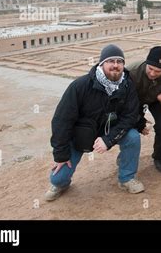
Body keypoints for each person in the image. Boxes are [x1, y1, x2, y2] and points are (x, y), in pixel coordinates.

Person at [45, 44, 143, 201]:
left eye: (120, 61)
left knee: (133, 137)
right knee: (57, 179)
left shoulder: (127, 85)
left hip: (110, 131)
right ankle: (62, 184)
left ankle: (126, 178)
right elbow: (61, 121)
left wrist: (108, 139)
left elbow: (129, 117)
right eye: (111, 61)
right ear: (101, 63)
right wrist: (61, 154)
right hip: (81, 135)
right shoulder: (80, 86)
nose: (116, 65)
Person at [126, 46, 161, 173]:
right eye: (150, 69)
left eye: (158, 71)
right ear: (146, 63)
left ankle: (160, 158)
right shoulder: (131, 72)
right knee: (129, 126)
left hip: (157, 100)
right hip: (134, 100)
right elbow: (125, 104)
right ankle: (125, 156)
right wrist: (140, 122)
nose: (153, 73)